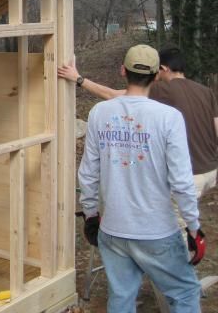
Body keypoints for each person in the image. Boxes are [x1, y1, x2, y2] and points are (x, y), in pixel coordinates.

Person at [78, 44, 204, 312]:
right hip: (156, 232)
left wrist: (90, 214)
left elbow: (88, 171)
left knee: (122, 297)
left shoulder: (100, 113)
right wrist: (193, 227)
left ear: (122, 70)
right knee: (184, 292)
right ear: (157, 75)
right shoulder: (169, 118)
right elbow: (182, 181)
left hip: (112, 229)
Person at [60, 46, 218, 198]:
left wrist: (78, 79)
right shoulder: (206, 92)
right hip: (210, 171)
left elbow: (113, 95)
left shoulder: (161, 89)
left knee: (175, 222)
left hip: (188, 174)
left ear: (163, 69)